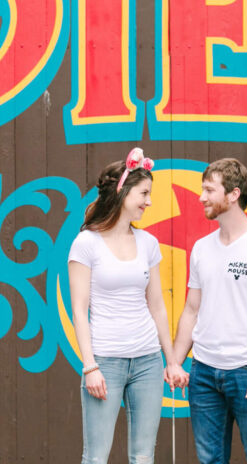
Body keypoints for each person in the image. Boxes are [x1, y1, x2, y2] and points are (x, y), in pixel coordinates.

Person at [69, 147, 190, 464]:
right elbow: (80, 311)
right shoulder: (86, 243)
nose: (149, 202)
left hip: (148, 361)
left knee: (143, 456)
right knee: (95, 457)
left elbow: (157, 306)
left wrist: (171, 361)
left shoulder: (148, 243)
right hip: (105, 362)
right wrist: (90, 366)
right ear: (122, 192)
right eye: (144, 193)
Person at [170, 157, 247, 464]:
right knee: (210, 460)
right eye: (202, 189)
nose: (201, 197)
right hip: (203, 374)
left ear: (233, 194)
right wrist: (175, 361)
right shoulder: (201, 248)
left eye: (209, 190)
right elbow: (191, 309)